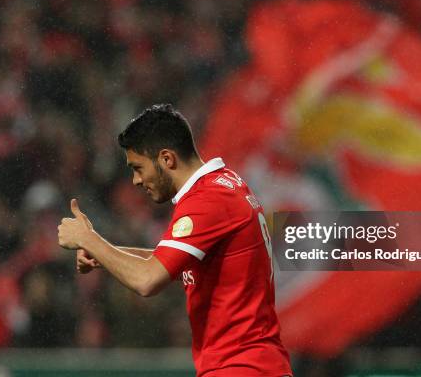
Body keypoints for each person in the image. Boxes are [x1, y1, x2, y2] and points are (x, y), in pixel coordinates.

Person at [57, 104, 292, 376]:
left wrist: (89, 238)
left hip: (241, 368)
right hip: (253, 365)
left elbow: (147, 280)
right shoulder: (225, 183)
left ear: (167, 159)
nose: (135, 180)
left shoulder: (206, 201)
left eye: (138, 168)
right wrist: (105, 254)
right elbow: (174, 262)